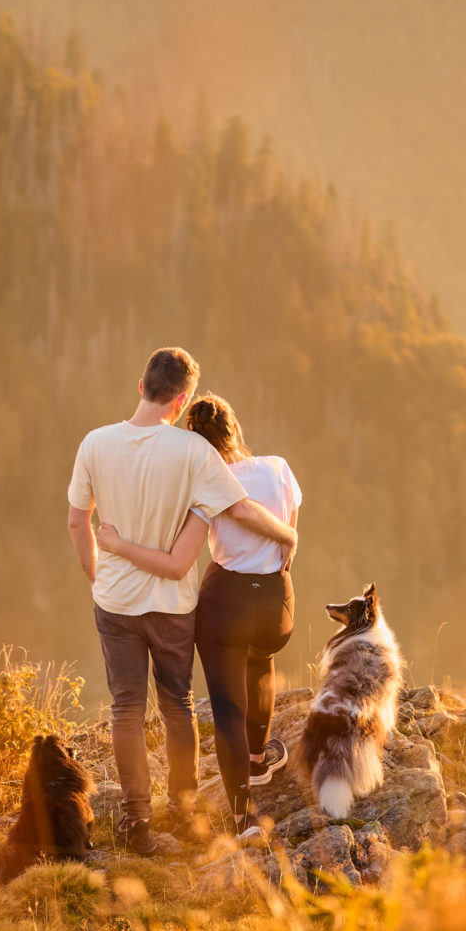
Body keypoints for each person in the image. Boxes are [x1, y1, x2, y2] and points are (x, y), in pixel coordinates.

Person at [66, 348, 296, 856]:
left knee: (126, 708)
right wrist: (287, 537)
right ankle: (185, 809)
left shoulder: (94, 444)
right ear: (183, 399)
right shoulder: (194, 453)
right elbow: (241, 507)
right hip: (172, 604)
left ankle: (137, 822)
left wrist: (97, 578)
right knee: (178, 704)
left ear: (140, 384)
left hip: (116, 603)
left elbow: (77, 522)